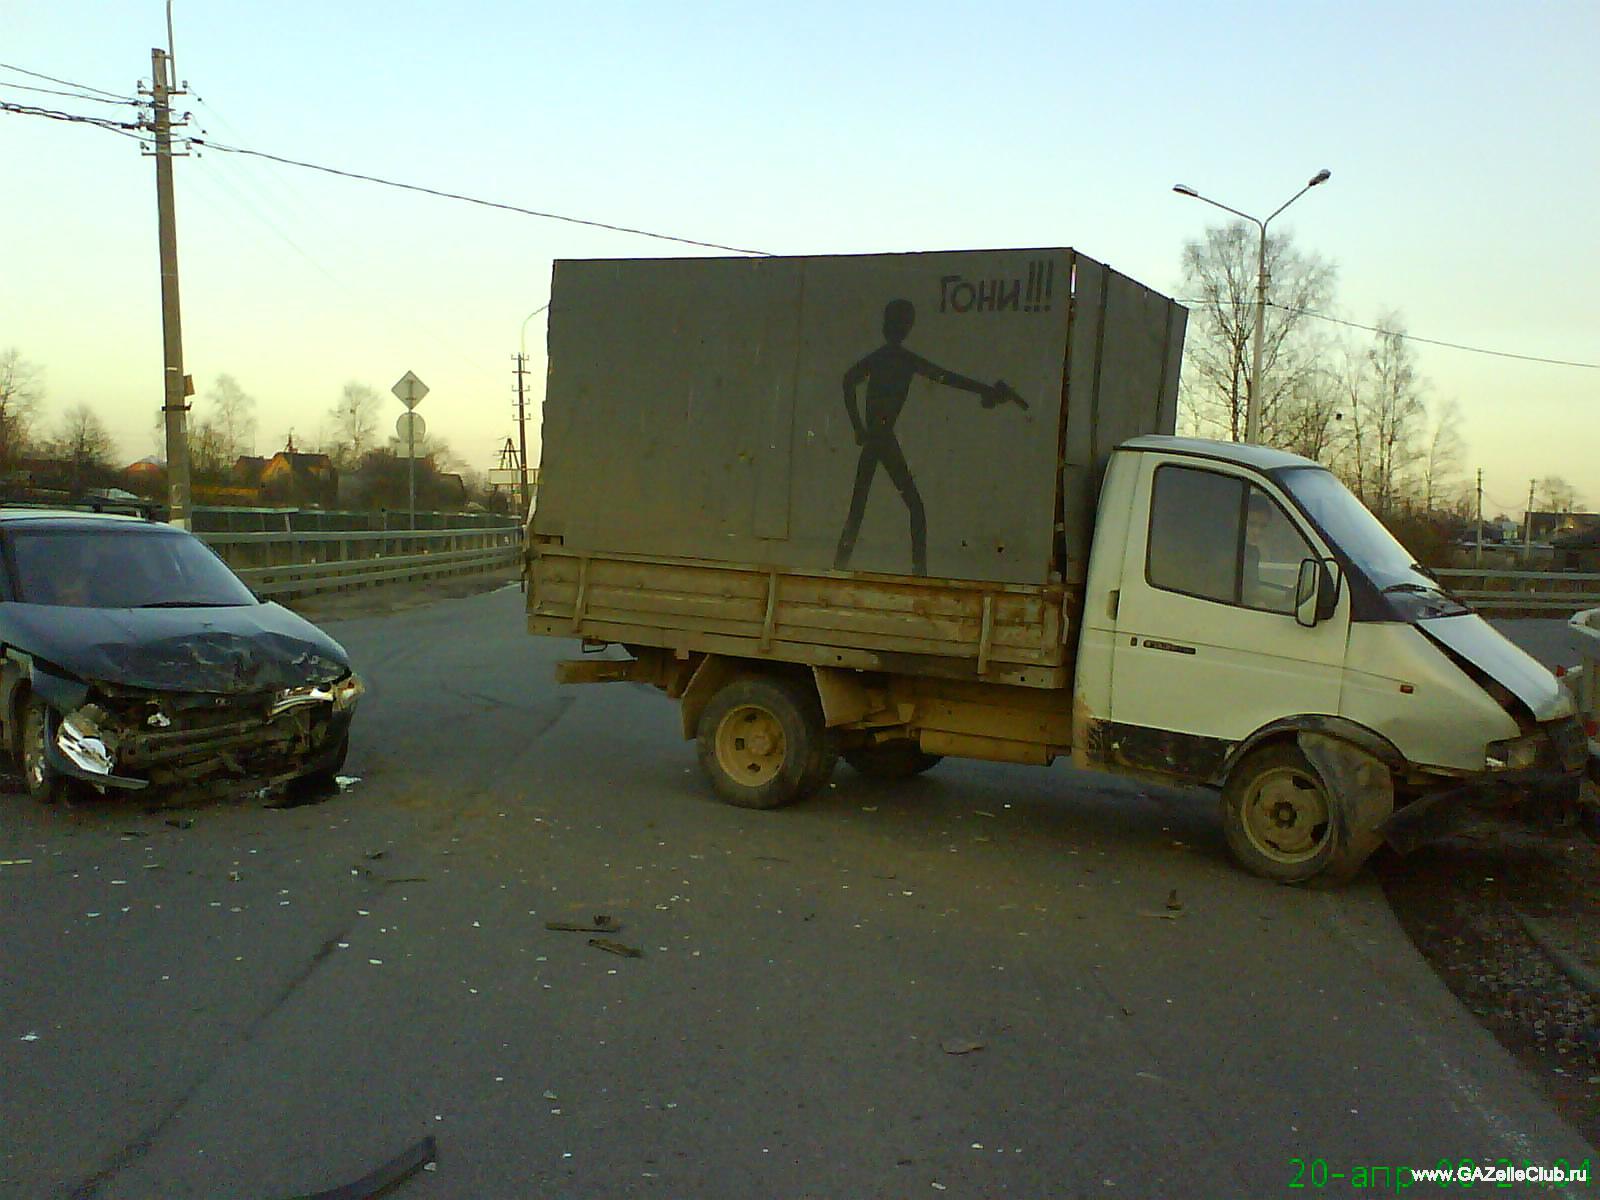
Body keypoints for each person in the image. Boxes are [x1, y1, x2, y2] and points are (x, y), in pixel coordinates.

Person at [833, 299, 1022, 576]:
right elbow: (945, 377)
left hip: (877, 438)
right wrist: (858, 427)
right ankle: (917, 573)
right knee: (911, 508)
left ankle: (843, 568)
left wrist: (859, 427)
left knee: (861, 509)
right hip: (881, 439)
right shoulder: (899, 359)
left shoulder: (886, 358)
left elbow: (850, 380)